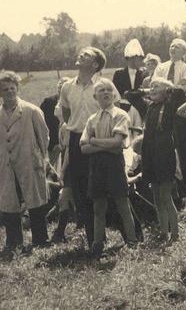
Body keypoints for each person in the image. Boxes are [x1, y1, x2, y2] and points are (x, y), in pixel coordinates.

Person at [56, 47, 117, 249]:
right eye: (80, 53)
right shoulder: (67, 87)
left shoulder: (103, 87)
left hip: (97, 140)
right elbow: (65, 112)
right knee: (81, 190)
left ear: (95, 64)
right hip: (76, 141)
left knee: (106, 188)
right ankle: (94, 240)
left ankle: (132, 237)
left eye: (87, 55)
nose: (80, 55)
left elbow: (112, 112)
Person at [79, 78, 138, 255]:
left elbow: (117, 143)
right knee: (98, 205)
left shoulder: (120, 115)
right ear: (95, 96)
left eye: (109, 90)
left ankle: (133, 241)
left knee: (122, 203)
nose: (106, 93)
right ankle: (98, 243)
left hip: (114, 165)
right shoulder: (92, 119)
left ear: (114, 94)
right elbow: (83, 147)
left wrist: (95, 141)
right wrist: (106, 145)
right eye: (101, 90)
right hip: (97, 167)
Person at [0, 71, 50, 253]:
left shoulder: (31, 111)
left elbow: (44, 137)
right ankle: (13, 241)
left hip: (29, 161)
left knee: (35, 201)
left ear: (18, 89)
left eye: (12, 88)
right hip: (5, 164)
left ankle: (40, 238)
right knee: (8, 203)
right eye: (4, 89)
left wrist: (40, 158)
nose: (9, 92)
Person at [141, 78, 182, 243]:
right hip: (150, 153)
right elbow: (133, 97)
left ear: (166, 90)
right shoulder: (151, 107)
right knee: (156, 196)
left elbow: (178, 93)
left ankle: (175, 233)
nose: (152, 89)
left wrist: (168, 89)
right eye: (150, 87)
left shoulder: (170, 106)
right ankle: (164, 231)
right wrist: (151, 90)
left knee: (166, 196)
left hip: (164, 153)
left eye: (156, 86)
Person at [153, 38, 186, 190]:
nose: (173, 49)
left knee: (183, 145)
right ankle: (169, 182)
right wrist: (171, 88)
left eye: (177, 47)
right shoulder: (161, 67)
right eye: (171, 46)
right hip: (162, 110)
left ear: (184, 52)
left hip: (179, 111)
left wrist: (169, 89)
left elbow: (183, 89)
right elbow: (155, 85)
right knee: (165, 145)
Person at [112, 38, 147, 119]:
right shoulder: (119, 73)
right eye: (139, 59)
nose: (141, 62)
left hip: (141, 110)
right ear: (131, 59)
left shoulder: (144, 73)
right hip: (123, 110)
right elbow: (115, 93)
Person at [40, 77, 69, 167]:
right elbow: (41, 120)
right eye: (60, 84)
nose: (62, 86)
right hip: (51, 140)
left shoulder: (73, 103)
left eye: (65, 85)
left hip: (66, 141)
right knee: (52, 165)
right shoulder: (48, 102)